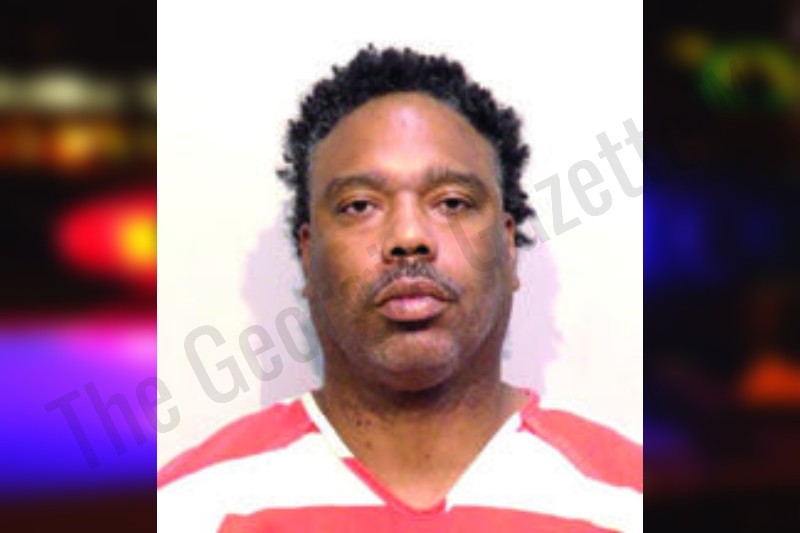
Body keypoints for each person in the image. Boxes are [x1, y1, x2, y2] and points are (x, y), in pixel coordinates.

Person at [157, 45, 642, 532]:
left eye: (452, 203)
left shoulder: (625, 502)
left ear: (509, 246)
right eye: (360, 206)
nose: (409, 237)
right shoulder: (190, 509)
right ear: (308, 253)